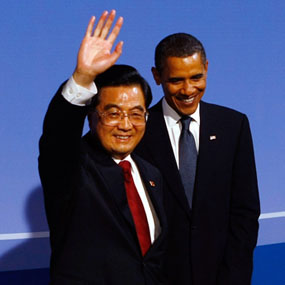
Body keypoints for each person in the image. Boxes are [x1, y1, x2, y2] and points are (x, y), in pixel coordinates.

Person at [38, 11, 167, 284]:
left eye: (135, 114)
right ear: (91, 115)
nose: (125, 124)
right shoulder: (74, 168)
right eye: (113, 113)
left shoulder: (151, 174)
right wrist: (82, 78)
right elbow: (57, 139)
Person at [135, 33, 260, 284]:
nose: (188, 90)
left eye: (196, 77)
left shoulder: (233, 126)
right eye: (176, 80)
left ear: (206, 68)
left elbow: (245, 212)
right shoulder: (138, 131)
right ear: (157, 76)